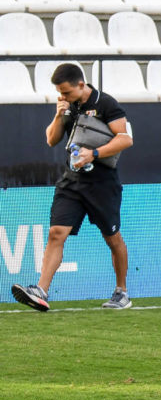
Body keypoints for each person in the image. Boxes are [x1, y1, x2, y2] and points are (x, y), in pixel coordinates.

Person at [11, 63, 134, 312]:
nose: (62, 96)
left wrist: (95, 153)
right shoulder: (68, 106)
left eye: (66, 92)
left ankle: (122, 292)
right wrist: (59, 114)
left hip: (102, 183)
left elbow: (125, 138)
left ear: (81, 84)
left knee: (113, 238)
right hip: (72, 181)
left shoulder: (106, 103)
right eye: (59, 93)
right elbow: (51, 139)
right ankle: (41, 291)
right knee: (56, 232)